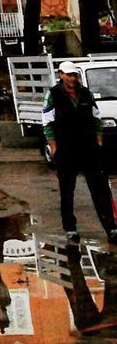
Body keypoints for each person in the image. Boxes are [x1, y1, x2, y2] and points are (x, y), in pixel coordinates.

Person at [43, 60, 117, 243]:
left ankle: (111, 228)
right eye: (68, 75)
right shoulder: (53, 95)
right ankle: (70, 227)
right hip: (66, 148)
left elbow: (96, 118)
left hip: (88, 147)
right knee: (67, 191)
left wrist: (98, 139)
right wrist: (53, 145)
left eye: (74, 75)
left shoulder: (85, 94)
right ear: (61, 75)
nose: (72, 78)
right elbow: (47, 122)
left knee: (99, 189)